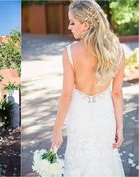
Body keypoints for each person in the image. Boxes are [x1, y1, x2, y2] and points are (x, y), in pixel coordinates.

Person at [51, 0, 125, 176]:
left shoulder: (69, 52)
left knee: (79, 161)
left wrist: (57, 130)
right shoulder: (118, 51)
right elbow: (117, 93)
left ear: (86, 24)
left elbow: (67, 95)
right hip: (105, 117)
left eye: (72, 22)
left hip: (79, 116)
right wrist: (119, 127)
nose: (69, 27)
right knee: (106, 161)